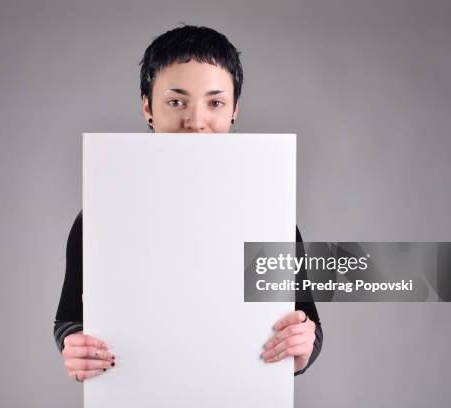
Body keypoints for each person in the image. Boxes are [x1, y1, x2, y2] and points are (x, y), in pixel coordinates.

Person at [54, 25, 323, 382]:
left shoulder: (270, 218)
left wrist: (304, 343)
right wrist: (73, 345)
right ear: (148, 106)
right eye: (176, 101)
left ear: (234, 111)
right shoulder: (101, 217)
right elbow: (68, 318)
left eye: (215, 103)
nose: (196, 122)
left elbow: (308, 324)